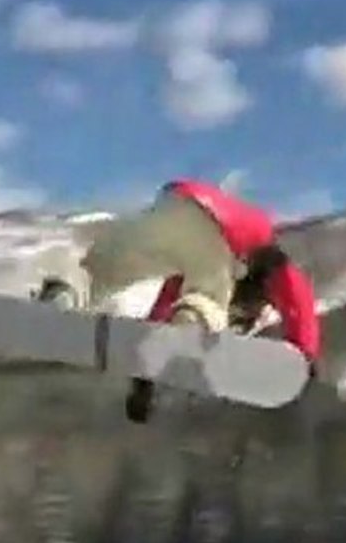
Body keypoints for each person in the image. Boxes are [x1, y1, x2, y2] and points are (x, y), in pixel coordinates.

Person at [40, 178, 322, 423]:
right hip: (213, 225)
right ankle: (190, 329)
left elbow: (159, 315)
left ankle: (63, 294)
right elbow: (298, 297)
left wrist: (143, 381)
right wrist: (304, 355)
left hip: (167, 207)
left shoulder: (193, 268)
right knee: (206, 300)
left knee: (100, 270)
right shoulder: (263, 254)